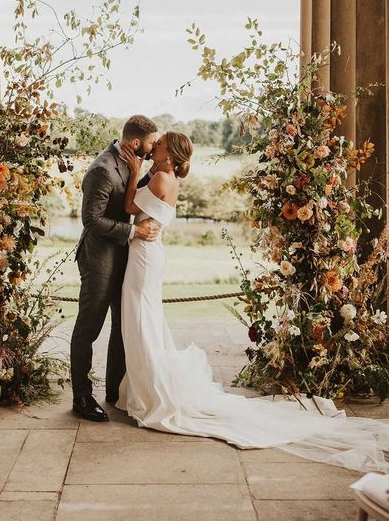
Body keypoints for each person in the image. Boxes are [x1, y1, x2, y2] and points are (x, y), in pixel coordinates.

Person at [116, 131, 389, 473]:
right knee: (146, 318)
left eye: (158, 144)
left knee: (141, 317)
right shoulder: (165, 176)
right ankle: (145, 385)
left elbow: (129, 208)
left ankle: (152, 392)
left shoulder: (159, 176)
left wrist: (131, 170)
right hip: (149, 252)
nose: (151, 146)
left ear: (169, 153)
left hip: (144, 254)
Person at [70, 115, 160, 422]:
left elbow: (130, 197)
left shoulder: (132, 162)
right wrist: (134, 232)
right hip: (98, 259)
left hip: (124, 257)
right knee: (89, 327)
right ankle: (81, 396)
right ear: (136, 143)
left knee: (123, 325)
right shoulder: (102, 169)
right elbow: (91, 221)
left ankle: (115, 392)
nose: (152, 148)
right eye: (150, 144)